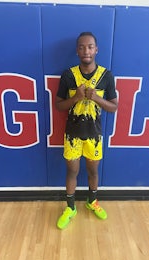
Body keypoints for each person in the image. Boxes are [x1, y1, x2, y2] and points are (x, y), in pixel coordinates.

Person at [55, 32, 118, 229]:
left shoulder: (106, 76)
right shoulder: (68, 75)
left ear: (96, 49)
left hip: (94, 135)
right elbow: (58, 106)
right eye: (81, 47)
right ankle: (71, 207)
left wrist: (96, 98)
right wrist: (75, 98)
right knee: (72, 171)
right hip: (72, 135)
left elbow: (114, 107)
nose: (86, 51)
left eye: (90, 46)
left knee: (92, 170)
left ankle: (92, 202)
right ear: (77, 51)